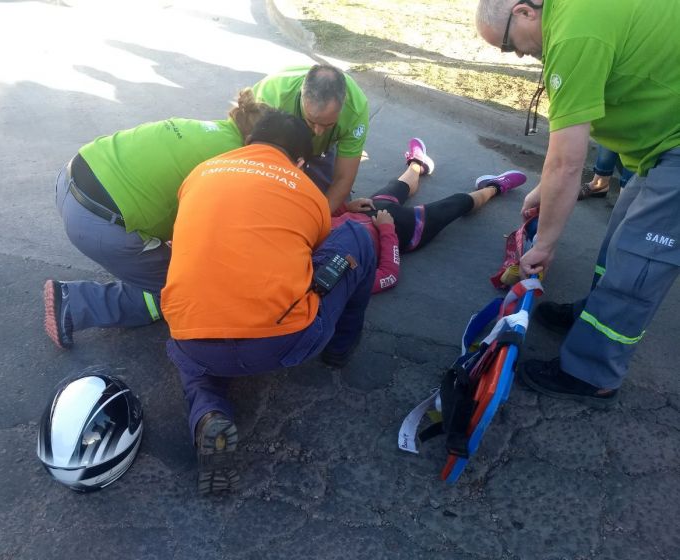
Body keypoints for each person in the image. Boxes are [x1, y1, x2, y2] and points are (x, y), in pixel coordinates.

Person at [475, 0, 680, 408]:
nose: (516, 54)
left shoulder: (574, 33)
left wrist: (546, 244)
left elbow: (567, 163)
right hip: (661, 143)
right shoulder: (572, 15)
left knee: (640, 262)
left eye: (507, 44)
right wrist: (542, 189)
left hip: (673, 144)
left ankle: (592, 373)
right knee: (620, 240)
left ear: (524, 12)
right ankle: (594, 316)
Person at [161, 110, 376, 494]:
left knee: (195, 368)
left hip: (192, 335)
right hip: (284, 339)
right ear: (299, 161)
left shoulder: (202, 172)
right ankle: (340, 348)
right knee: (358, 238)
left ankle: (208, 415)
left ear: (248, 143)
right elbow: (313, 249)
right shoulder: (306, 189)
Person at [43, 89, 271, 349]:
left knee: (168, 258)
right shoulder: (234, 161)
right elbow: (215, 237)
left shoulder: (208, 130)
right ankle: (75, 303)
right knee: (178, 292)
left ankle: (134, 267)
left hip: (71, 181)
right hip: (96, 221)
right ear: (256, 141)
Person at [333, 138, 527, 293]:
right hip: (404, 229)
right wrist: (386, 229)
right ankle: (495, 187)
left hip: (368, 210)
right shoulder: (340, 283)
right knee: (457, 204)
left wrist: (347, 208)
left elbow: (322, 219)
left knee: (398, 186)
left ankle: (417, 163)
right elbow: (389, 275)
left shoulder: (306, 247)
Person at [252, 64, 369, 213]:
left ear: (344, 102)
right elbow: (254, 158)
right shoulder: (272, 96)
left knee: (330, 205)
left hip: (324, 151)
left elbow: (343, 178)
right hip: (278, 146)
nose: (318, 132)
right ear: (302, 96)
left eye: (328, 124)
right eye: (312, 121)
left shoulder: (357, 109)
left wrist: (317, 222)